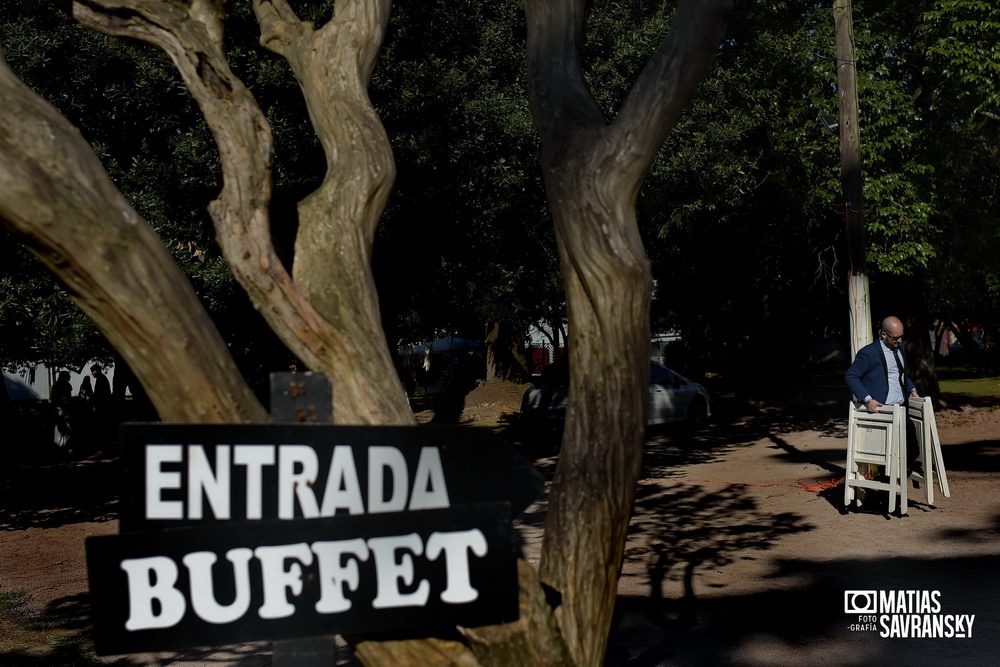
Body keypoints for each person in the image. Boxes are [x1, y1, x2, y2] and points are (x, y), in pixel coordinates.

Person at [845, 315, 919, 411]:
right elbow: (851, 376)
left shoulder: (900, 347)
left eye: (901, 336)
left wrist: (912, 390)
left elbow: (900, 373)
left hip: (903, 406)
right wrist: (868, 400)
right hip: (882, 409)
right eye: (896, 338)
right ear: (884, 334)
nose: (900, 340)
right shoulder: (869, 352)